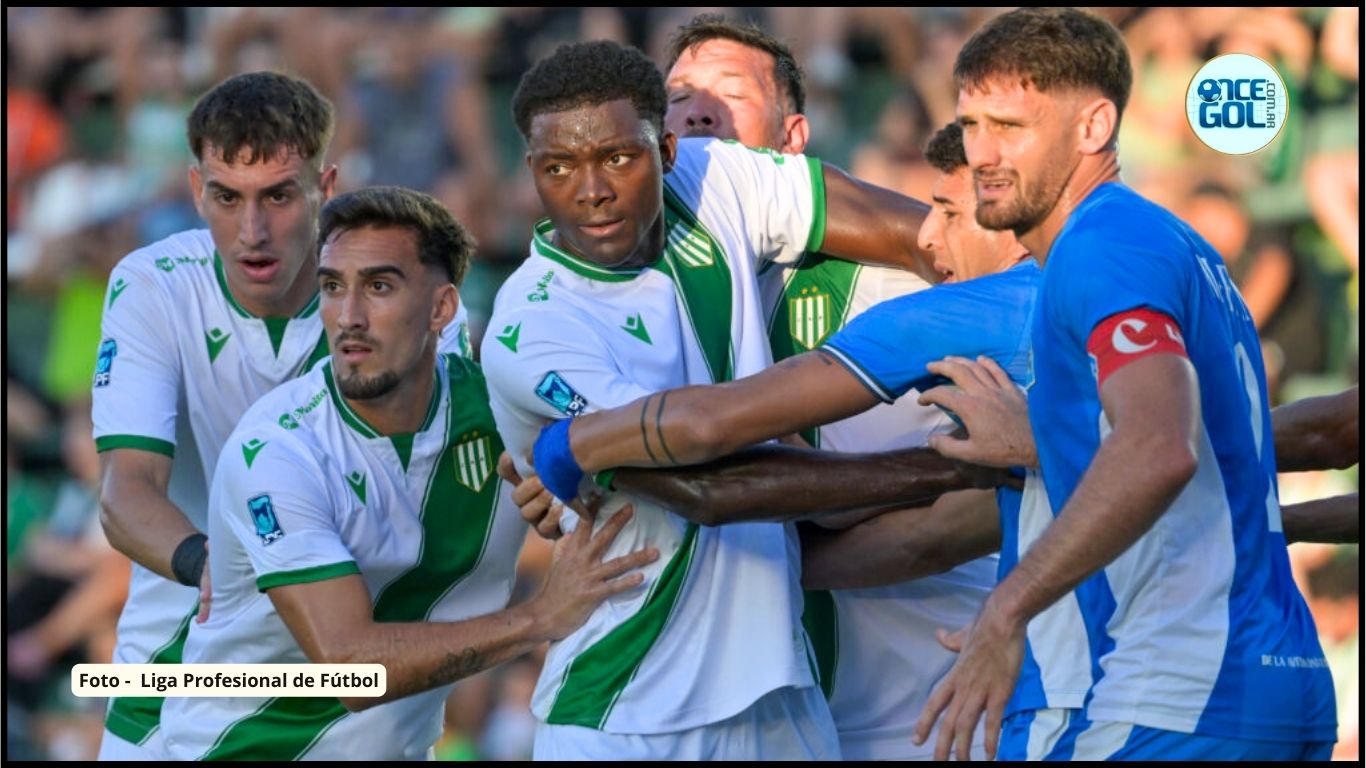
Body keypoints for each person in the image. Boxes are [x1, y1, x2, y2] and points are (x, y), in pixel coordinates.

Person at [482, 39, 941, 760]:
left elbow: (928, 238)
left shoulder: (715, 178)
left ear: (664, 150)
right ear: (531, 172)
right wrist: (951, 472)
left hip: (783, 702)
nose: (590, 189)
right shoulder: (531, 326)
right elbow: (710, 485)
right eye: (558, 167)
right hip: (629, 711)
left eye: (617, 158)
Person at [909, 7, 1335, 760]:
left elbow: (1158, 447)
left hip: (1183, 686)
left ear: (1093, 125)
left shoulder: (1100, 246)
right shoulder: (1170, 238)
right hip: (1274, 675)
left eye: (1010, 125)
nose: (981, 153)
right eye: (972, 124)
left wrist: (1005, 610)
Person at [158, 186, 655, 760]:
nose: (348, 318)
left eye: (378, 286)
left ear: (442, 309)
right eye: (331, 288)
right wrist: (538, 617)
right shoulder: (275, 450)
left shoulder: (503, 410)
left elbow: (629, 442)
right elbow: (347, 664)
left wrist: (563, 488)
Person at [91, 71, 468, 759]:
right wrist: (218, 565)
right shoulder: (150, 286)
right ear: (196, 190)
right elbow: (125, 493)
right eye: (228, 198)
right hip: (181, 651)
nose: (253, 230)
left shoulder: (405, 297)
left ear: (326, 189)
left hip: (348, 660)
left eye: (279, 196)